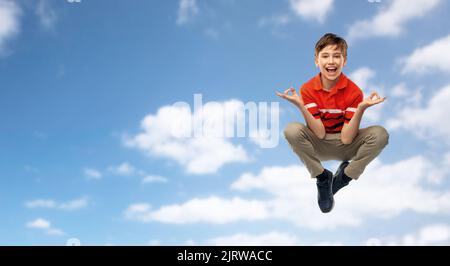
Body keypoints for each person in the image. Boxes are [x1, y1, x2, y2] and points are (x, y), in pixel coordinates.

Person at [276, 33, 389, 213]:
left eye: (337, 56)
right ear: (316, 61)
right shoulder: (308, 88)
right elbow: (319, 133)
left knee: (380, 134)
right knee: (291, 130)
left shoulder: (353, 91)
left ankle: (343, 178)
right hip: (318, 144)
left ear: (344, 61)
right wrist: (301, 106)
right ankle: (323, 178)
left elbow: (346, 138)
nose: (331, 61)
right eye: (325, 56)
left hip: (346, 145)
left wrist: (360, 109)